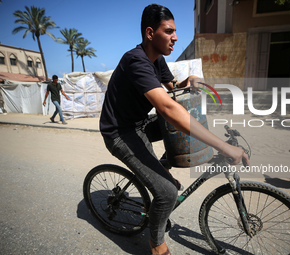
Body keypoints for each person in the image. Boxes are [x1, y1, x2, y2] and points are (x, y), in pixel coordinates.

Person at [100, 4, 249, 255]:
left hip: (139, 125)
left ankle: (160, 170)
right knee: (168, 193)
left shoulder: (158, 60)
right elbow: (168, 108)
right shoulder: (135, 60)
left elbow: (171, 88)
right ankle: (156, 244)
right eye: (169, 31)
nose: (176, 37)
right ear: (150, 33)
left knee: (180, 129)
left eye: (175, 31)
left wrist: (189, 81)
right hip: (120, 133)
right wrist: (223, 147)